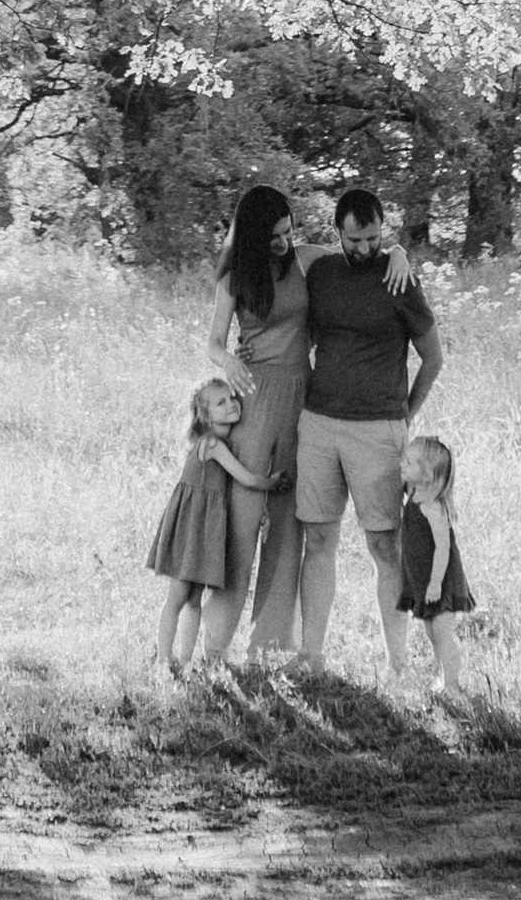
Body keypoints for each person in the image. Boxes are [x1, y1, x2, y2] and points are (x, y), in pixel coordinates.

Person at [197, 180, 418, 664]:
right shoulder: (234, 277)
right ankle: (215, 644)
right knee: (242, 521)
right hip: (254, 400)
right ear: (252, 235)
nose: (283, 241)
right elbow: (213, 341)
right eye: (273, 235)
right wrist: (228, 362)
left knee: (288, 528)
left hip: (304, 400)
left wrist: (399, 252)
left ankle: (269, 645)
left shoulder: (306, 260)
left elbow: (361, 251)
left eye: (288, 231)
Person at [296, 180, 441, 673]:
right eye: (354, 240)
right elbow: (281, 251)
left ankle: (398, 664)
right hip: (319, 424)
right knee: (318, 540)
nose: (365, 249)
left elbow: (433, 357)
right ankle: (311, 657)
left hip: (378, 429)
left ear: (384, 230)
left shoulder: (400, 279)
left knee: (384, 546)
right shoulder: (321, 272)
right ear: (337, 232)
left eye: (375, 239)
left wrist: (406, 413)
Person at [146, 377, 273, 675]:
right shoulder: (213, 444)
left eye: (232, 398)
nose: (232, 405)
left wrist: (263, 508)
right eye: (220, 402)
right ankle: (163, 661)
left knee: (194, 599)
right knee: (178, 597)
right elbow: (246, 478)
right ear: (204, 415)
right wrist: (273, 483)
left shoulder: (221, 442)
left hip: (204, 529)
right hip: (192, 528)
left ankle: (185, 662)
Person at [397, 434, 475, 696]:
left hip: (441, 580)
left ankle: (453, 684)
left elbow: (443, 548)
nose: (402, 464)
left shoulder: (432, 507)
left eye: (409, 463)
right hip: (423, 579)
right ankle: (443, 677)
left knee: (442, 633)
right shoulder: (414, 494)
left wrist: (435, 584)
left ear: (427, 474)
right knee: (432, 633)